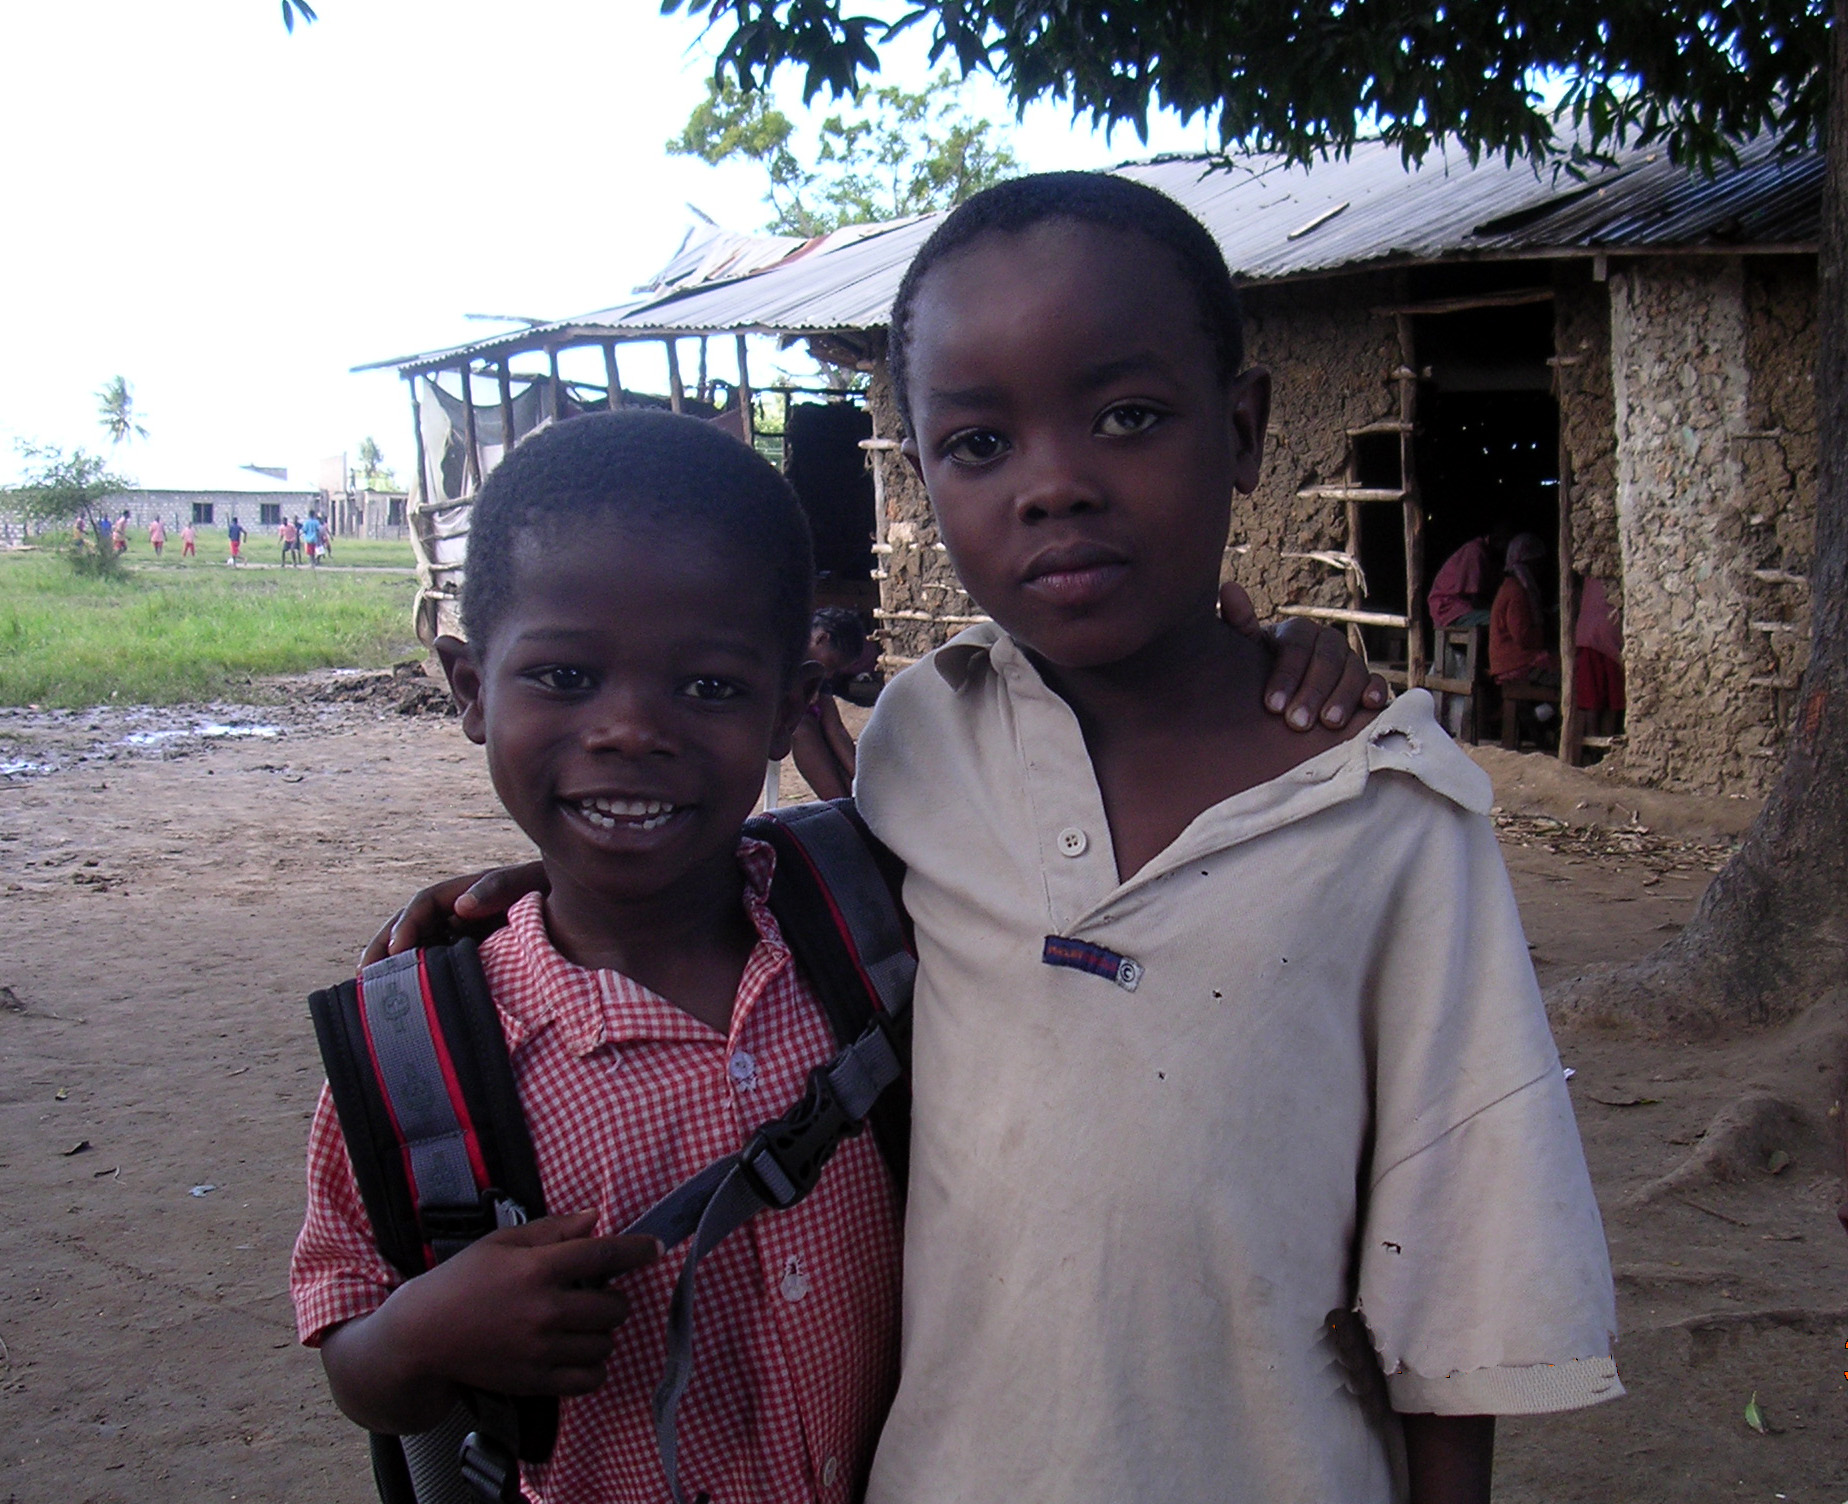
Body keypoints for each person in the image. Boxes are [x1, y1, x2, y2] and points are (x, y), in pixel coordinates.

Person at [370, 175, 1616, 1504]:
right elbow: (774, 894)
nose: (1055, 486)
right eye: (979, 443)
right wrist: (566, 880)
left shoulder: (1387, 808)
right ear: (922, 475)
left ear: (1244, 429)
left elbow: (1463, 1257)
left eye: (1127, 417)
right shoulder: (927, 736)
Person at [290, 412, 905, 1504]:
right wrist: (425, 1333)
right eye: (566, 676)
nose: (630, 729)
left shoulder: (878, 929)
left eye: (708, 687)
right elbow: (357, 1359)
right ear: (470, 688)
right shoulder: (420, 1065)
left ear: (789, 710)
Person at [789, 607, 866, 801]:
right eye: (831, 665)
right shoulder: (779, 650)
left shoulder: (818, 674)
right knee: (802, 727)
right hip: (763, 720)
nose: (829, 674)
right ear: (821, 639)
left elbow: (835, 729)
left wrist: (862, 779)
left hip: (799, 722)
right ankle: (840, 804)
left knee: (824, 725)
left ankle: (856, 799)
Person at [1489, 532, 1559, 686]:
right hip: (1516, 664)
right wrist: (1543, 631)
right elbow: (1523, 636)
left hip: (1512, 662)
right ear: (1528, 563)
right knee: (1572, 677)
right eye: (1537, 564)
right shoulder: (1517, 591)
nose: (1540, 570)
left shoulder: (1510, 587)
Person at [1427, 524, 1512, 630]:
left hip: (1464, 607)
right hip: (1451, 608)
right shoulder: (1475, 550)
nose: (1507, 550)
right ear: (1496, 539)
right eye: (1507, 545)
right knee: (1502, 620)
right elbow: (1474, 598)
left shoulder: (1491, 558)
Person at [1574, 575, 1625, 737]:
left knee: (1595, 699)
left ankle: (1595, 741)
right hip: (1609, 633)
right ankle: (1604, 742)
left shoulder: (1591, 576)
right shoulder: (1605, 573)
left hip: (1591, 634)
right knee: (1611, 698)